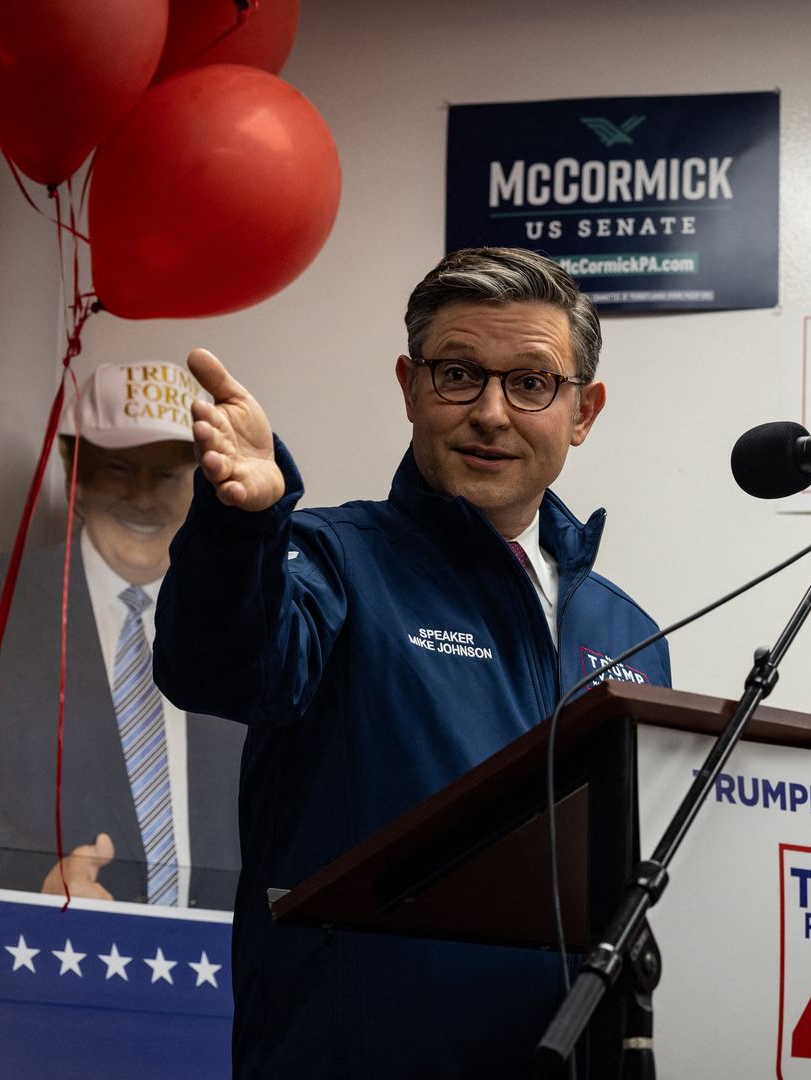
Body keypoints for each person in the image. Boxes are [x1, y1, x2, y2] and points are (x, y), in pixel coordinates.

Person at [152, 247, 671, 1078]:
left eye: (531, 383)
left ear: (584, 410)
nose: (492, 413)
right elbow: (218, 667)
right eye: (459, 374)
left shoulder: (633, 634)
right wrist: (242, 531)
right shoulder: (327, 560)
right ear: (411, 388)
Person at [0, 361, 243, 907]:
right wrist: (41, 883)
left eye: (165, 474)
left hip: (225, 972)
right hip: (41, 957)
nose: (142, 497)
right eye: (117, 468)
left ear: (203, 480)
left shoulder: (247, 621)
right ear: (73, 468)